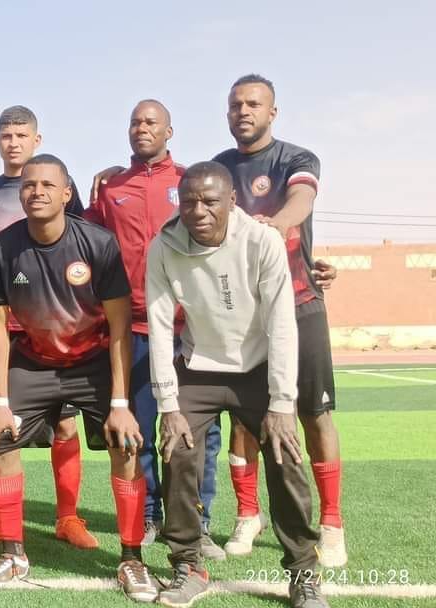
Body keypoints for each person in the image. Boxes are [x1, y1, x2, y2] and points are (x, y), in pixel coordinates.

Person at [147, 161, 327, 608]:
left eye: (210, 201)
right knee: (177, 449)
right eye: (188, 201)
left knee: (285, 454)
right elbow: (159, 324)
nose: (198, 211)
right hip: (199, 367)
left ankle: (304, 572)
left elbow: (282, 323)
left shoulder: (262, 241)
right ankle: (188, 565)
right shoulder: (164, 246)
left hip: (258, 368)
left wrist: (282, 402)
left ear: (231, 201)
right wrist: (168, 405)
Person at [0, 154, 149, 600]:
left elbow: (119, 325)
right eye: (29, 185)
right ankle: (14, 555)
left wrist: (120, 403)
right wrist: (0, 402)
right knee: (1, 439)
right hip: (33, 361)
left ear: (67, 193)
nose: (37, 192)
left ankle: (131, 559)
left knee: (126, 443)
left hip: (92, 363)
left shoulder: (98, 243)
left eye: (48, 185)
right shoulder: (2, 247)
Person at [212, 75, 346, 568]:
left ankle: (331, 523)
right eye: (235, 105)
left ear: (272, 112)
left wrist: (276, 226)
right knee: (243, 417)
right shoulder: (219, 168)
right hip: (242, 313)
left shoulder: (296, 158)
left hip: (298, 303)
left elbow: (301, 201)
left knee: (314, 413)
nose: (243, 111)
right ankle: (248, 514)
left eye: (253, 104)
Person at [84, 99, 225, 559]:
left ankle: (197, 522)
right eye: (135, 122)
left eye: (151, 122)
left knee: (198, 432)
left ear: (169, 131)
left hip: (191, 329)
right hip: (134, 328)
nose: (141, 128)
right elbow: (85, 241)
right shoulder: (110, 188)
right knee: (138, 429)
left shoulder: (188, 183)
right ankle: (148, 516)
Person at [0, 105, 96, 550]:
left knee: (66, 426)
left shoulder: (57, 186)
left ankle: (68, 517)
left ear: (36, 140)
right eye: (6, 136)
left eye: (21, 135)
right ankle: (0, 519)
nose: (13, 142)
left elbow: (79, 242)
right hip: (5, 329)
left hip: (59, 329)